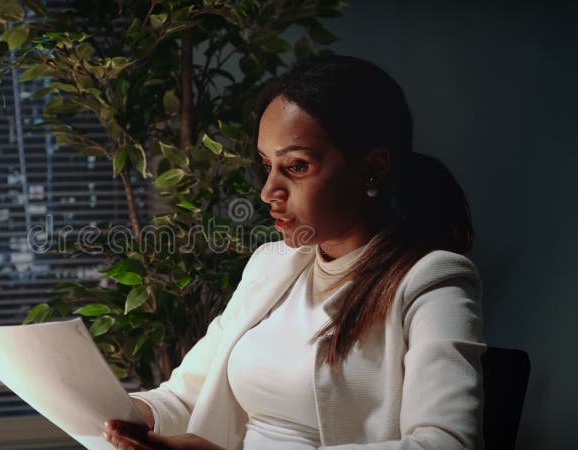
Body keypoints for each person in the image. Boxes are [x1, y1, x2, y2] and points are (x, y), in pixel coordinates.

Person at [103, 54, 487, 450]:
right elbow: (185, 395)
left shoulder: (432, 280)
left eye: (297, 166)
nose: (269, 192)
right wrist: (109, 414)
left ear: (373, 166)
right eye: (267, 165)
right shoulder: (270, 266)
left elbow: (446, 444)